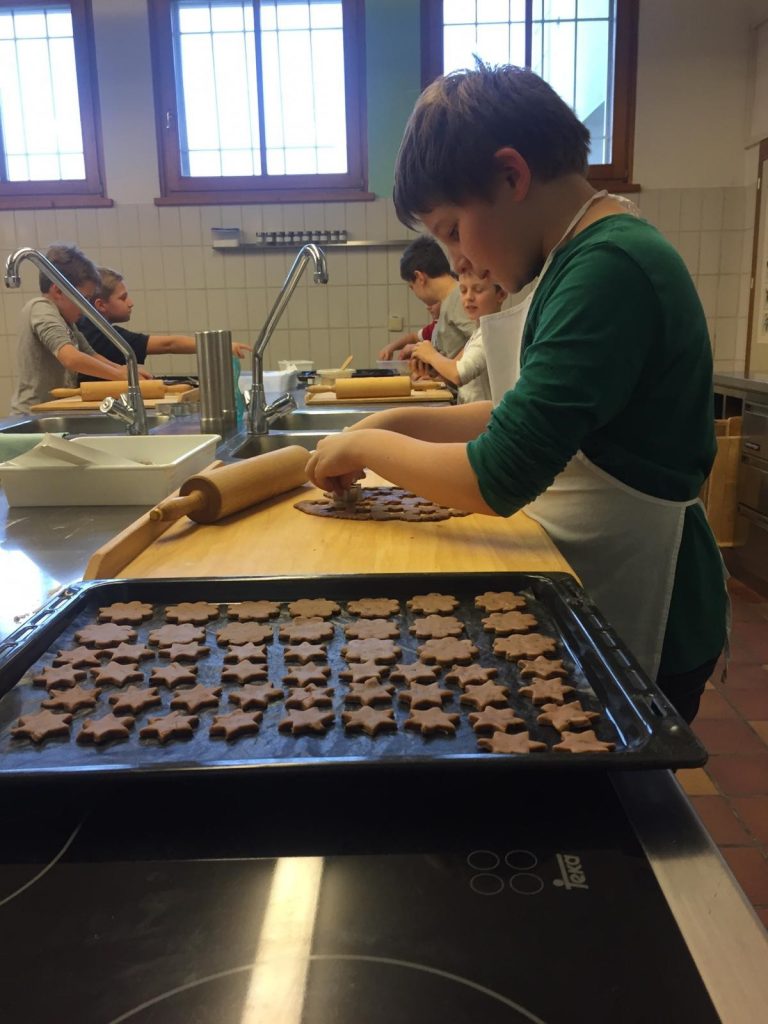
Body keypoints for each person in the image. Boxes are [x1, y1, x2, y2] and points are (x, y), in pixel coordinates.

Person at [306, 64, 726, 724]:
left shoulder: (609, 269)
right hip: (594, 572)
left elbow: (499, 473)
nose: (457, 265)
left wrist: (368, 443)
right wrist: (395, 423)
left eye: (450, 230)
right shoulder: (574, 259)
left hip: (653, 602)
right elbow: (514, 417)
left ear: (511, 175)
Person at [10, 245, 150, 415]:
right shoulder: (41, 309)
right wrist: (120, 376)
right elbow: (71, 358)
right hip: (31, 415)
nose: (85, 308)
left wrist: (125, 371)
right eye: (83, 299)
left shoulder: (67, 321)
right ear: (58, 290)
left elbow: (90, 354)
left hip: (52, 411)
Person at [77, 268, 250, 381]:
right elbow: (169, 344)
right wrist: (219, 345)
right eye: (123, 298)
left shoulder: (88, 329)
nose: (130, 303)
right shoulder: (101, 335)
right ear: (100, 305)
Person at [410, 270, 506, 402]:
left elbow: (458, 374)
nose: (469, 297)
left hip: (484, 419)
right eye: (463, 291)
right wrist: (434, 377)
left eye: (478, 290)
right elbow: (462, 376)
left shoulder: (491, 334)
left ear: (501, 295)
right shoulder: (479, 332)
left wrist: (431, 355)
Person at [377, 236, 474, 361]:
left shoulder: (459, 299)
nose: (415, 294)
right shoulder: (448, 303)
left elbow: (480, 343)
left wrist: (449, 368)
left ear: (420, 277)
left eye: (412, 286)